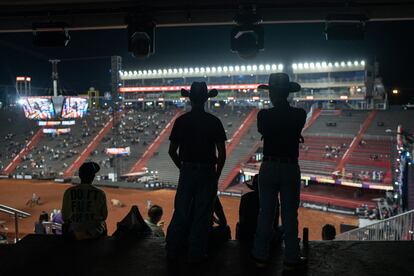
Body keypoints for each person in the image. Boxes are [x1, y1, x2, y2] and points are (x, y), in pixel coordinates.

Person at [166, 82, 227, 262]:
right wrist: (216, 174)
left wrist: (183, 168)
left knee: (181, 211)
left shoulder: (181, 121)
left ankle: (172, 248)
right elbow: (222, 153)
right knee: (202, 213)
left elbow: (172, 151)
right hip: (207, 172)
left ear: (190, 100)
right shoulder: (214, 122)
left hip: (187, 170)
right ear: (206, 100)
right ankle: (196, 252)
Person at [251, 73, 307, 271]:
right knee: (290, 214)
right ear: (288, 93)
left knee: (265, 212)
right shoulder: (300, 114)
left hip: (269, 165)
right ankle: (291, 257)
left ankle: (260, 255)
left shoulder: (263, 115)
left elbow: (264, 131)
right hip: (290, 166)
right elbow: (293, 128)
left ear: (272, 93)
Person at [61, 162, 108, 240]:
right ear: (93, 176)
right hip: (94, 234)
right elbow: (104, 216)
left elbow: (65, 217)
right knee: (103, 225)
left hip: (74, 233)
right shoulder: (100, 193)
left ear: (80, 175)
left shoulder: (69, 192)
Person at [236, 174, 280, 245]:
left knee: (239, 225)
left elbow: (242, 218)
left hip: (247, 235)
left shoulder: (245, 197)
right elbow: (275, 221)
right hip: (266, 236)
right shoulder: (273, 199)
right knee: (281, 229)